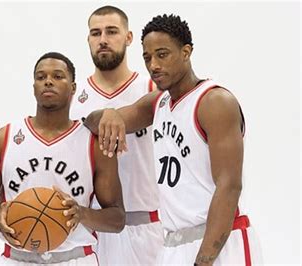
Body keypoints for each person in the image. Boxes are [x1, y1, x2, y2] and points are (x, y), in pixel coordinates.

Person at [85, 14, 262, 265]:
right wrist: (111, 113)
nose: (154, 65)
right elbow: (92, 121)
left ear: (186, 52)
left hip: (220, 242)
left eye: (162, 54)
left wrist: (204, 260)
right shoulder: (159, 102)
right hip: (173, 243)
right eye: (147, 57)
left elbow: (229, 186)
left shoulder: (214, 102)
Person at [0, 52, 125, 265]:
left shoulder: (92, 144)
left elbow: (117, 219)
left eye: (58, 76)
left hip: (76, 258)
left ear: (73, 87)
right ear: (33, 86)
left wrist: (81, 214)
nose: (48, 82)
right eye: (41, 77)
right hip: (17, 258)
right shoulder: (2, 139)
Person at [70, 5, 163, 265]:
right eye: (95, 33)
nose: (103, 40)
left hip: (144, 225)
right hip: (88, 226)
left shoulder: (153, 90)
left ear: (129, 37)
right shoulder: (72, 98)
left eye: (112, 31)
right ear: (88, 39)